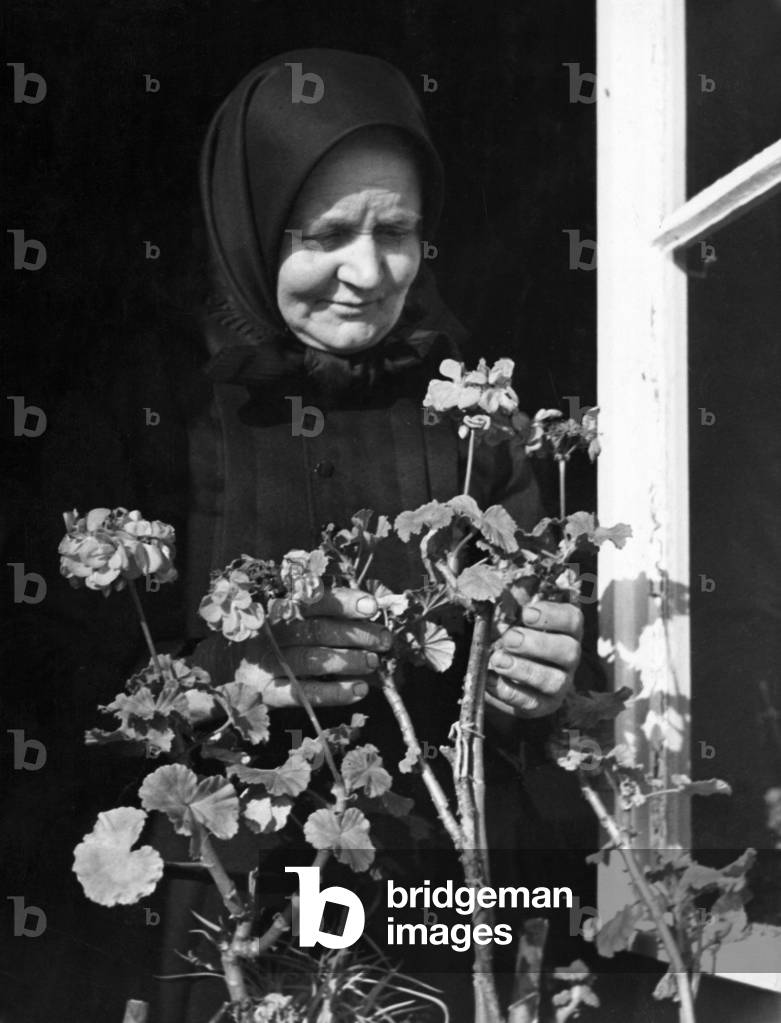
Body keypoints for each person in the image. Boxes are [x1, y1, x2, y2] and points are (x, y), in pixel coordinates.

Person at [31, 48, 588, 1023]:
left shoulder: (466, 411)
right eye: (324, 234)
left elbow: (528, 639)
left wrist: (536, 681)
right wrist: (227, 674)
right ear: (248, 225)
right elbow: (52, 682)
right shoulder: (143, 405)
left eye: (399, 233)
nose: (369, 273)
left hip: (423, 910)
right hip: (205, 909)